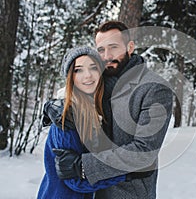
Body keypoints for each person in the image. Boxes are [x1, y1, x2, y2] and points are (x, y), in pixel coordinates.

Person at [51, 21, 173, 199]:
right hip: (91, 192)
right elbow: (74, 88)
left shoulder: (154, 88)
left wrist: (84, 167)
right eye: (101, 49)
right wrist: (55, 106)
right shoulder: (98, 81)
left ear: (130, 47)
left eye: (113, 47)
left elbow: (144, 151)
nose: (107, 56)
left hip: (128, 193)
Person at [37, 46, 126, 199]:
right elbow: (75, 180)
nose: (88, 76)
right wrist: (125, 171)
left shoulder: (92, 111)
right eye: (78, 70)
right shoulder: (66, 117)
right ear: (70, 77)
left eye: (93, 68)